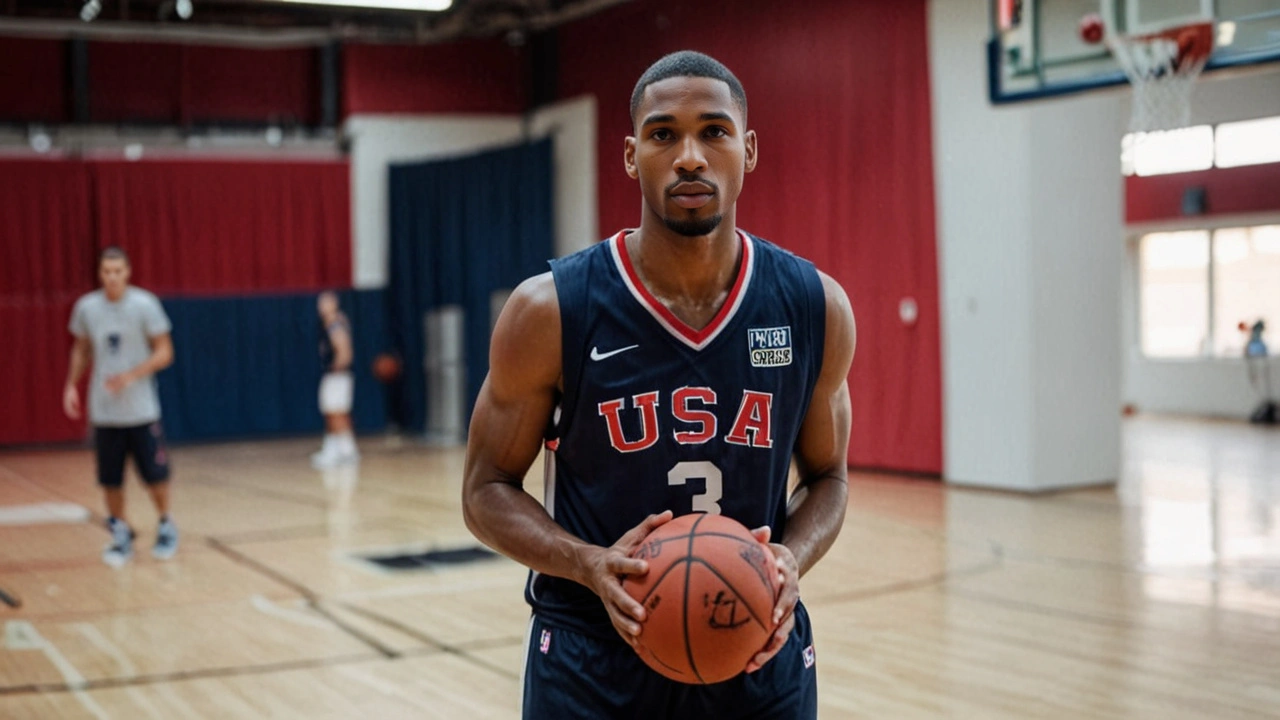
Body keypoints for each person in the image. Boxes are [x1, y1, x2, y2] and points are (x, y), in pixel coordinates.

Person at [462, 50, 856, 719]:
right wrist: (584, 561)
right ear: (630, 154)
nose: (691, 157)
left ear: (749, 148)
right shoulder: (553, 309)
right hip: (594, 660)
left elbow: (830, 479)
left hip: (757, 649)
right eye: (664, 134)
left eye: (714, 131)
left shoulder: (812, 306)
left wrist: (789, 560)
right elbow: (485, 490)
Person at [65, 246, 178, 568]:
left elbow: (165, 352)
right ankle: (121, 532)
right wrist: (71, 384)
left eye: (118, 271)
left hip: (141, 410)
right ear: (100, 274)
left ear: (127, 272)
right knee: (110, 480)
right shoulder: (87, 308)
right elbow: (81, 349)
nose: (112, 277)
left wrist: (131, 375)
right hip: (105, 412)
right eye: (106, 272)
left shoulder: (145, 305)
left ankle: (166, 524)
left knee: (155, 476)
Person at [312, 291, 359, 468]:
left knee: (337, 411)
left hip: (338, 375)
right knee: (330, 412)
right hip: (332, 375)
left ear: (334, 304)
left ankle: (348, 451)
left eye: (325, 303)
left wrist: (338, 367)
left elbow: (345, 350)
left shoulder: (335, 324)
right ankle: (332, 450)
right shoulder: (328, 323)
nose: (321, 307)